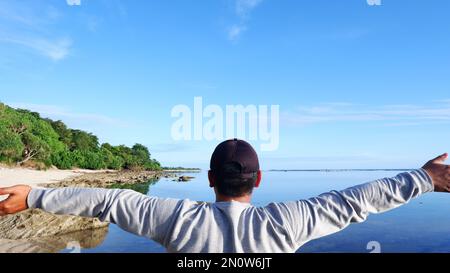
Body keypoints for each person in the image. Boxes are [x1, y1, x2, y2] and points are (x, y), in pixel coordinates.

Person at [0, 139, 449, 253]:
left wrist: (34, 195)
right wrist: (425, 178)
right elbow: (356, 201)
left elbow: (109, 201)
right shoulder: (287, 222)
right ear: (259, 181)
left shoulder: (175, 218)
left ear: (210, 180)